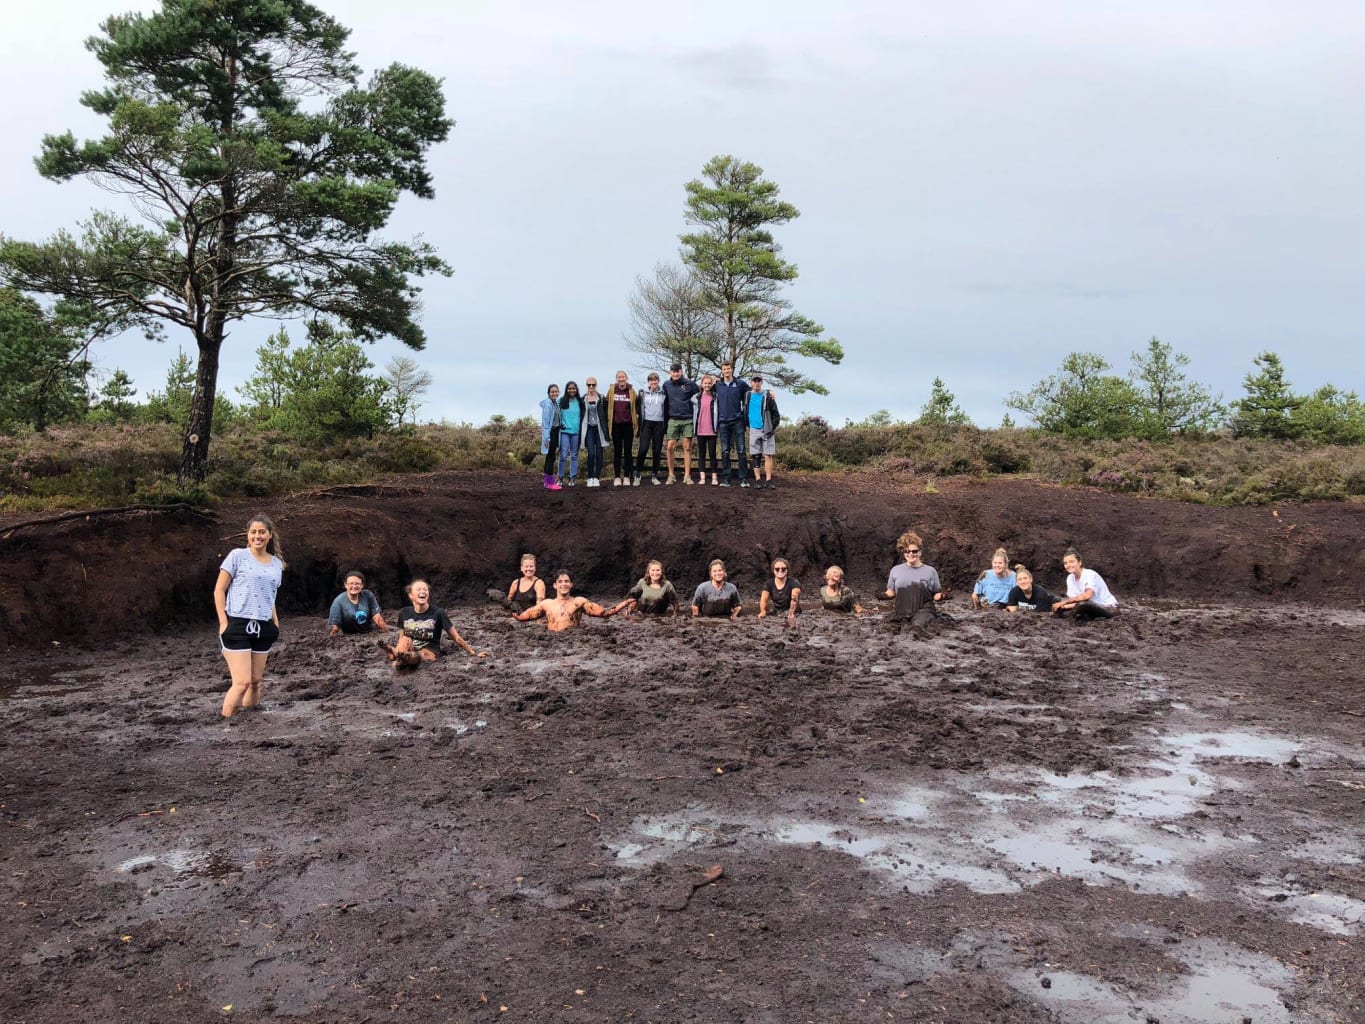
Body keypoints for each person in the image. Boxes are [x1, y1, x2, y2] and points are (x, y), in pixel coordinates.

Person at [214, 514, 285, 718]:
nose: (257, 536)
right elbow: (219, 590)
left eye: (262, 532)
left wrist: (275, 622)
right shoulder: (237, 556)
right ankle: (226, 724)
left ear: (270, 535)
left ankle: (250, 722)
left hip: (264, 625)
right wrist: (223, 622)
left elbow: (270, 595)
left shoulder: (276, 564)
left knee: (255, 682)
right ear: (248, 535)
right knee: (242, 682)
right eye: (253, 532)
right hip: (237, 623)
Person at [380, 579, 488, 665]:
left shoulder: (439, 613)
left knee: (422, 655)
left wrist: (473, 653)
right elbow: (402, 635)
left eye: (425, 589)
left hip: (430, 651)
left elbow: (456, 637)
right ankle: (397, 653)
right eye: (418, 589)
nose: (422, 591)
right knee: (405, 639)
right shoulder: (404, 612)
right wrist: (401, 646)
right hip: (410, 647)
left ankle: (399, 655)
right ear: (411, 595)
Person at [512, 571, 627, 631]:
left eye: (566, 581)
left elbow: (604, 613)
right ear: (555, 585)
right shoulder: (546, 604)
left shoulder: (579, 601)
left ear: (571, 585)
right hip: (552, 642)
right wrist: (514, 614)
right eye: (560, 582)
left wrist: (625, 603)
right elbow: (526, 616)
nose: (563, 584)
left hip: (572, 640)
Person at [884, 530, 947, 627]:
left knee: (916, 626)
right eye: (907, 551)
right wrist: (881, 595)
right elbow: (891, 593)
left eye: (914, 551)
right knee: (888, 627)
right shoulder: (895, 570)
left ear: (920, 553)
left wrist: (942, 596)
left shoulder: (930, 571)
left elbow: (936, 594)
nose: (910, 554)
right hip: (902, 610)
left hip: (924, 610)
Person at [1052, 549, 1120, 621]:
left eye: (1071, 562)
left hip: (1107, 607)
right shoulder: (1070, 578)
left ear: (1080, 562)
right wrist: (1062, 607)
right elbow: (1075, 602)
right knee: (1060, 611)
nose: (1068, 565)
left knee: (1083, 605)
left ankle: (1082, 616)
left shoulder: (1089, 574)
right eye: (1065, 563)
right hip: (1087, 606)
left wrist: (1064, 602)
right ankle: (1083, 616)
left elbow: (1087, 596)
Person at [662, 362, 700, 484]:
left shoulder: (690, 384)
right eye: (673, 371)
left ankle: (687, 476)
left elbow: (700, 395)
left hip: (688, 419)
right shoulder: (666, 385)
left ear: (681, 371)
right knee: (669, 447)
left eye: (677, 371)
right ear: (670, 372)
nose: (675, 373)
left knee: (687, 447)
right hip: (673, 419)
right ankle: (671, 475)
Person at [741, 374, 780, 489]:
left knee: (768, 455)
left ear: (761, 382)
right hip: (753, 429)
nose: (757, 383)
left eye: (759, 381)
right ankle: (758, 480)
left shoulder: (768, 396)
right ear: (751, 383)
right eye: (754, 381)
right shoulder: (747, 395)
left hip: (767, 430)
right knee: (756, 456)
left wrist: (772, 427)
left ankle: (768, 480)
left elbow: (775, 414)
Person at [714, 362, 750, 487]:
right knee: (725, 451)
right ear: (722, 371)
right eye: (724, 369)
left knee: (741, 450)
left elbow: (753, 393)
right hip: (723, 422)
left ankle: (744, 478)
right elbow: (704, 390)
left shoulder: (740, 384)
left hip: (738, 421)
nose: (727, 371)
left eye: (728, 369)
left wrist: (769, 393)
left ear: (732, 369)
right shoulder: (717, 385)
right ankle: (726, 478)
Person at [328, 570, 389, 636]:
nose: (354, 586)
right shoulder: (338, 602)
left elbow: (377, 618)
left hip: (369, 633)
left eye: (357, 584)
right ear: (345, 585)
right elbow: (335, 628)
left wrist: (387, 634)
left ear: (362, 585)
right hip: (349, 637)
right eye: (351, 583)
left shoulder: (368, 595)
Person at [634, 372, 667, 485]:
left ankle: (654, 475)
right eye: (651, 380)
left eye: (655, 380)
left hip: (659, 423)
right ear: (648, 382)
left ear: (658, 381)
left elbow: (666, 407)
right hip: (646, 423)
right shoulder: (642, 392)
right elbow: (637, 407)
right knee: (643, 449)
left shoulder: (663, 393)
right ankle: (637, 474)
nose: (653, 382)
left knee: (657, 450)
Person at [581, 376, 611, 487]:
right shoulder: (582, 399)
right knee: (591, 454)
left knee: (599, 454)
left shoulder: (601, 399)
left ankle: (597, 477)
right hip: (588, 429)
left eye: (593, 384)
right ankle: (590, 477)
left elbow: (607, 414)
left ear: (596, 385)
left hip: (599, 429)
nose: (591, 387)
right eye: (589, 385)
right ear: (587, 386)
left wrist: (608, 430)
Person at [609, 370, 637, 486]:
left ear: (626, 378)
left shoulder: (631, 391)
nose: (621, 379)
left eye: (623, 377)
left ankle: (626, 476)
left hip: (628, 425)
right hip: (616, 425)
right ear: (616, 379)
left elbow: (636, 406)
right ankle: (616, 477)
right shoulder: (611, 390)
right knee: (617, 452)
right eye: (619, 377)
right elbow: (606, 404)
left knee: (628, 452)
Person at [693, 373, 720, 485]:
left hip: (712, 430)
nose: (707, 385)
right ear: (702, 384)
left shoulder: (716, 397)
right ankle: (702, 477)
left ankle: (714, 477)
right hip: (700, 430)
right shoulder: (696, 398)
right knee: (702, 454)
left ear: (712, 384)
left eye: (709, 383)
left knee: (713, 454)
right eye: (705, 383)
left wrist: (718, 380)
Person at [557, 381, 585, 487]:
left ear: (576, 389)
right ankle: (560, 478)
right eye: (569, 388)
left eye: (573, 388)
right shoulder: (561, 401)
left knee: (574, 456)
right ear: (566, 390)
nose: (571, 390)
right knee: (563, 456)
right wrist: (560, 424)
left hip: (576, 432)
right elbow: (556, 413)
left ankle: (572, 478)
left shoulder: (580, 402)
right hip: (564, 432)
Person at [758, 558, 802, 624]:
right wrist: (762, 611)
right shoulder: (768, 584)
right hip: (777, 612)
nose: (780, 571)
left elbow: (794, 598)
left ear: (787, 570)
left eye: (783, 569)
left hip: (794, 612)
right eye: (777, 569)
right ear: (773, 570)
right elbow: (763, 599)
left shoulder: (794, 582)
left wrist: (791, 613)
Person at [540, 384, 562, 491]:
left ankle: (547, 481)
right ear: (549, 393)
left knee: (550, 457)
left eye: (556, 391)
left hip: (556, 431)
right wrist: (547, 439)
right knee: (551, 457)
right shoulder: (549, 405)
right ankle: (550, 482)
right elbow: (545, 424)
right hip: (551, 433)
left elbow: (556, 418)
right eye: (552, 392)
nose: (554, 393)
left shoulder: (555, 404)